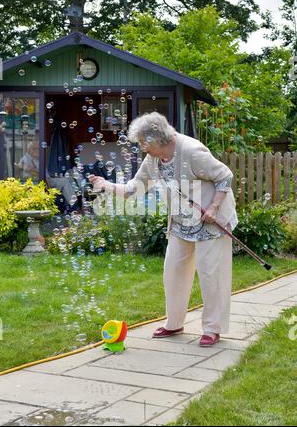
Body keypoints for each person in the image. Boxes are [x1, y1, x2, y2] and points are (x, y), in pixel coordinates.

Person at [89, 112, 238, 347]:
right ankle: (174, 323)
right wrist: (105, 185)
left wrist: (214, 207)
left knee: (211, 274)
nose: (141, 147)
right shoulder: (154, 159)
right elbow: (134, 189)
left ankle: (212, 328)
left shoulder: (192, 151)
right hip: (182, 222)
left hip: (211, 220)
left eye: (142, 142)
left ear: (157, 139)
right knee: (173, 272)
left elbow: (224, 177)